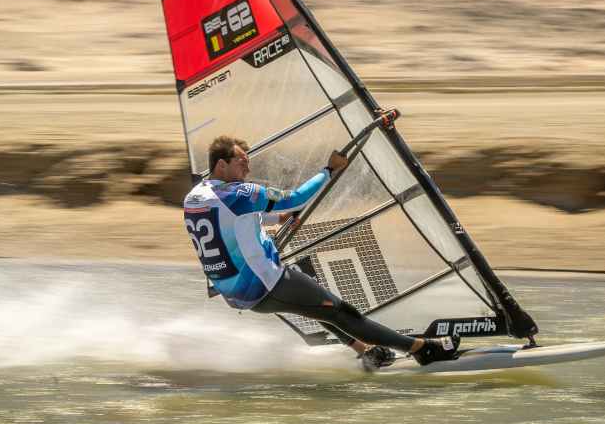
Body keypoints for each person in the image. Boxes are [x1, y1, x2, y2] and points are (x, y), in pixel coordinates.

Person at [183, 135, 459, 372]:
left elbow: (229, 222)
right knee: (342, 313)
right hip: (268, 283)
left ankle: (367, 353)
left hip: (238, 295)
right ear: (222, 164)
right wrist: (329, 170)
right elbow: (296, 198)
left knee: (317, 309)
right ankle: (422, 349)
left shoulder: (196, 196)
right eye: (241, 161)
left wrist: (276, 221)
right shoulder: (240, 194)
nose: (248, 166)